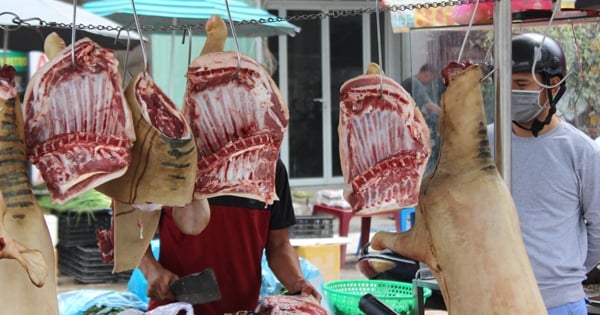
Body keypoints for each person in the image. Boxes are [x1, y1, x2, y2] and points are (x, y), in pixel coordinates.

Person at [487, 32, 600, 314]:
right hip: (497, 297)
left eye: (521, 83)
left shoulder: (581, 150)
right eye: (505, 84)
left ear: (553, 84)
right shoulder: (486, 142)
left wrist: (562, 275)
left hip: (560, 303)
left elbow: (599, 228)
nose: (511, 92)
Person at [138, 159, 321, 314]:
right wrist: (151, 269)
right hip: (176, 309)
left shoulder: (268, 165)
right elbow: (130, 231)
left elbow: (279, 244)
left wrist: (297, 282)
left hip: (240, 309)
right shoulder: (170, 157)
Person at [401, 63, 445, 172]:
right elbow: (429, 105)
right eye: (430, 78)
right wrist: (445, 114)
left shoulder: (408, 81)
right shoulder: (415, 83)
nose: (430, 81)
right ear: (425, 74)